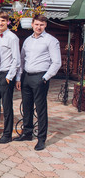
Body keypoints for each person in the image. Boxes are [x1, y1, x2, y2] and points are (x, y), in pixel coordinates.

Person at [14, 15, 61, 151]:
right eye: (36, 24)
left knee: (41, 109)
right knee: (26, 107)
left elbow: (57, 62)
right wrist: (19, 77)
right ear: (32, 24)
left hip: (40, 77)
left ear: (45, 25)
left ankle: (41, 139)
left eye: (41, 24)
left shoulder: (51, 41)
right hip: (26, 77)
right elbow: (22, 60)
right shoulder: (28, 40)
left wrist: (45, 78)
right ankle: (27, 133)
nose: (39, 27)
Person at [0, 12, 20, 144]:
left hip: (7, 73)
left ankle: (7, 134)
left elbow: (16, 59)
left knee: (7, 105)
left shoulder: (12, 38)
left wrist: (10, 76)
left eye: (3, 21)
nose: (0, 23)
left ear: (7, 22)